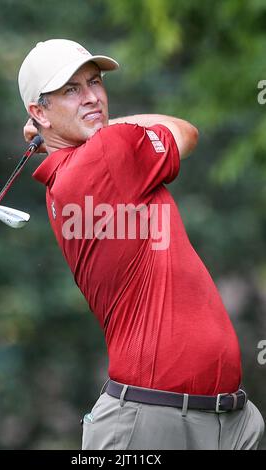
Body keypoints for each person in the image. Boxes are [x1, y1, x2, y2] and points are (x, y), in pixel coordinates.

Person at [18, 39, 264, 450]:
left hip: (227, 420)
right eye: (71, 90)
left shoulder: (75, 169)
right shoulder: (107, 156)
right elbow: (185, 131)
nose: (93, 97)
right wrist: (103, 130)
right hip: (154, 422)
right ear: (38, 112)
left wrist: (66, 132)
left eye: (94, 82)